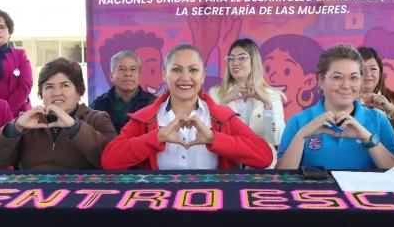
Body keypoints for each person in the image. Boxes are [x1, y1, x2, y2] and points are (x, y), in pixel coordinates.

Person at [101, 44, 273, 170]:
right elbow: (110, 160)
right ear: (164, 74)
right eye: (176, 70)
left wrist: (213, 139)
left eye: (193, 70)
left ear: (203, 75)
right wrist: (158, 137)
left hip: (215, 204)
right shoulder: (144, 118)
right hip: (159, 205)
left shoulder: (223, 117)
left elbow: (265, 156)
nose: (185, 77)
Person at [276, 45, 394, 170]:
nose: (346, 85)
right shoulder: (297, 122)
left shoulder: (378, 120)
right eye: (337, 77)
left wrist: (367, 138)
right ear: (321, 80)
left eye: (353, 78)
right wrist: (301, 137)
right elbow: (279, 177)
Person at [0, 58, 116, 170]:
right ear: (41, 93)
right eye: (49, 87)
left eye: (65, 85)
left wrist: (75, 128)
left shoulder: (97, 118)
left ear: (79, 91)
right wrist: (15, 128)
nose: (56, 93)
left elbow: (112, 161)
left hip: (81, 192)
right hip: (33, 192)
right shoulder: (29, 121)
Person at [209, 38, 284, 166]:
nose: (235, 63)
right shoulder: (215, 94)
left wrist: (267, 105)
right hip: (227, 164)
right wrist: (224, 102)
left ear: (254, 61)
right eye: (231, 58)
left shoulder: (272, 95)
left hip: (261, 164)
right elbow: (209, 134)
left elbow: (275, 139)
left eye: (242, 57)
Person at [90, 50, 156, 134]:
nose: (128, 74)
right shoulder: (97, 105)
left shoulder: (154, 104)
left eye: (133, 69)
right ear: (111, 76)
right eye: (122, 69)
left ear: (139, 75)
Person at [259, 34, 324, 120]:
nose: (272, 77)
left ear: (309, 81)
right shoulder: (256, 113)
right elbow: (268, 126)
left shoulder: (314, 119)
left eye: (286, 71)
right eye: (267, 69)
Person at [357, 46, 394, 140]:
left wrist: (391, 110)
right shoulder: (345, 98)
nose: (368, 74)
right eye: (362, 69)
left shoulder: (392, 97)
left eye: (373, 69)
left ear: (380, 73)